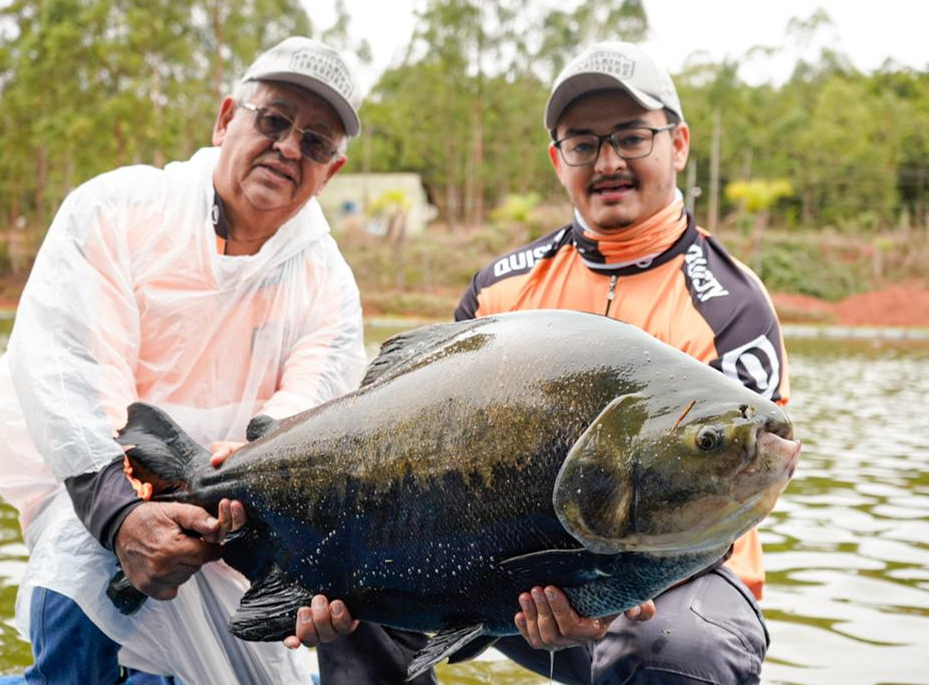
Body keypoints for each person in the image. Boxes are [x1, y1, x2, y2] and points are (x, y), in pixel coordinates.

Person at [310, 41, 790, 685]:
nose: (609, 161)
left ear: (677, 144)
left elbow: (727, 485)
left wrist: (601, 595)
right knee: (353, 585)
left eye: (632, 137)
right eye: (583, 143)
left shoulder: (731, 303)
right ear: (557, 160)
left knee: (679, 647)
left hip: (683, 585)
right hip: (505, 571)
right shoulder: (500, 291)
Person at [0, 36, 368, 685]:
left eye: (316, 141)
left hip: (237, 526)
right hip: (95, 499)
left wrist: (244, 515)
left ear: (333, 168)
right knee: (84, 569)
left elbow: (306, 421)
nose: (290, 147)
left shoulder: (329, 286)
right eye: (272, 120)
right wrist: (122, 515)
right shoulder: (117, 210)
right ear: (224, 119)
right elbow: (67, 375)